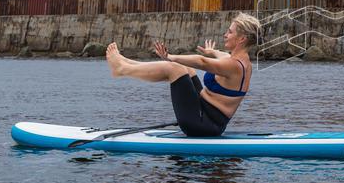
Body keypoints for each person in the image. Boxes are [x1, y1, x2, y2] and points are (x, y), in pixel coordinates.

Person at [105, 13, 262, 137]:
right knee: (184, 68)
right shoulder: (240, 61)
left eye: (230, 32)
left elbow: (202, 62)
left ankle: (122, 69)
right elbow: (220, 55)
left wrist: (170, 57)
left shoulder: (234, 66)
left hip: (203, 124)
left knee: (175, 69)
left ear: (242, 39)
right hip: (205, 115)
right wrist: (211, 51)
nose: (225, 34)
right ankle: (125, 62)